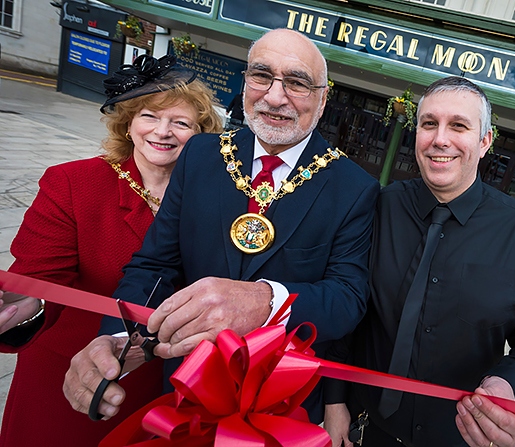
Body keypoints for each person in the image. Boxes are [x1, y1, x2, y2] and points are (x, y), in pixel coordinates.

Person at [62, 28, 379, 425]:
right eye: (262, 75)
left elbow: (347, 300)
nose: (275, 96)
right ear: (246, 80)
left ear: (322, 97)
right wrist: (119, 340)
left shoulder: (355, 187)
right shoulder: (201, 155)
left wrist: (264, 302)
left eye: (297, 82)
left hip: (283, 408)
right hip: (184, 393)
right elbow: (155, 266)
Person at [324, 76, 515, 447]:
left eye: (459, 125)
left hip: (457, 436)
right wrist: (333, 400)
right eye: (429, 124)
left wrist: (510, 384)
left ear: (484, 141)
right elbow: (346, 306)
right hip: (361, 427)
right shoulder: (378, 207)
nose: (441, 139)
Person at [0, 54, 222, 447]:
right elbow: (39, 278)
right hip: (69, 381)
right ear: (129, 122)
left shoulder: (213, 203)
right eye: (150, 117)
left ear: (201, 136)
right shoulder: (74, 182)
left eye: (181, 123)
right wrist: (21, 302)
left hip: (155, 389)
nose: (163, 131)